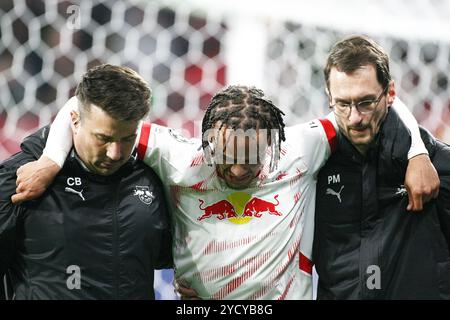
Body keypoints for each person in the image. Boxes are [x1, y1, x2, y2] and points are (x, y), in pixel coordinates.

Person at [11, 83, 438, 299]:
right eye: (227, 157)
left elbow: (376, 98)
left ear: (275, 144)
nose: (237, 170)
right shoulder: (180, 156)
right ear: (206, 142)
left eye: (251, 161)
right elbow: (81, 104)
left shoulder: (302, 147)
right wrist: (50, 161)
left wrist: (418, 152)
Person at [0, 64, 172, 299]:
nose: (115, 153)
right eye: (103, 138)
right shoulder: (22, 177)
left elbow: (168, 254)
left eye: (127, 138)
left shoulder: (152, 176)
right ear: (75, 120)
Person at [313, 35, 450, 299]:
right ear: (330, 98)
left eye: (366, 102)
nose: (355, 118)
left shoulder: (435, 166)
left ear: (390, 94)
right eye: (343, 104)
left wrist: (418, 152)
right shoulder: (313, 162)